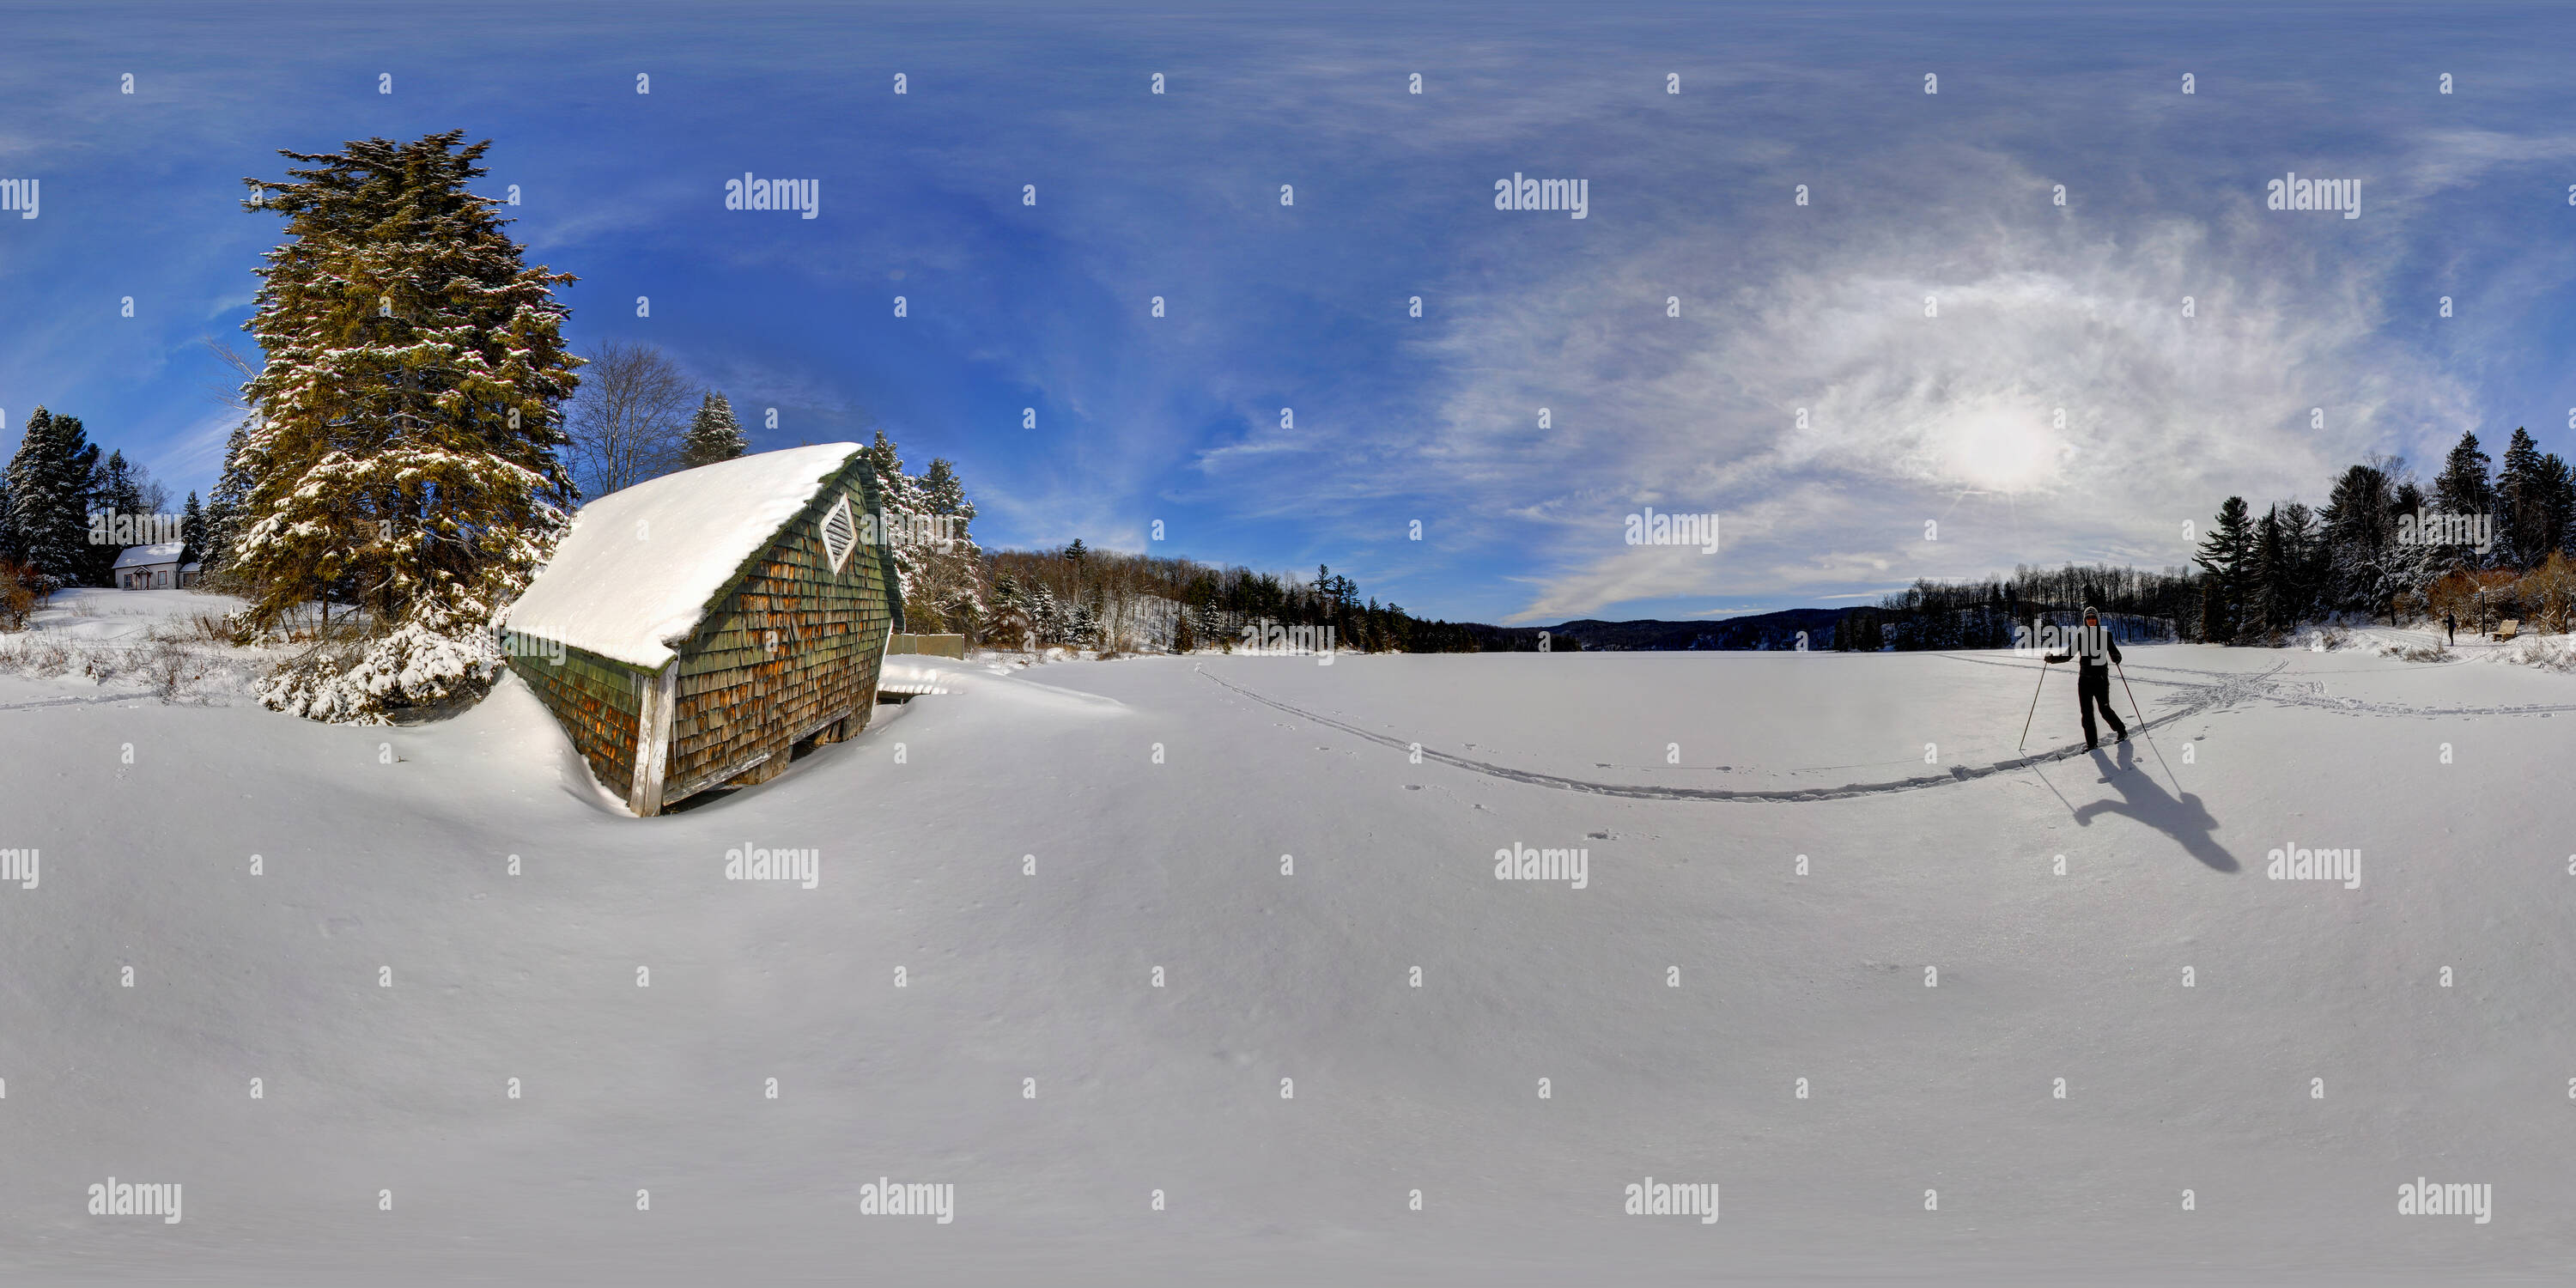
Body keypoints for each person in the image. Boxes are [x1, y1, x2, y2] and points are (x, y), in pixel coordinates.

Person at [2043, 606, 2128, 750]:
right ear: (2085, 621)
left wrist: (2116, 657)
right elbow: (2068, 655)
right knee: (2086, 713)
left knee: (2104, 709)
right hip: (2084, 681)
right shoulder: (2081, 637)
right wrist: (2052, 660)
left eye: (2093, 617)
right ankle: (2092, 743)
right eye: (2088, 618)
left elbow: (2115, 653)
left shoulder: (2105, 635)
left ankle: (2121, 731)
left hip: (2100, 679)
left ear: (2097, 619)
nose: (2091, 620)